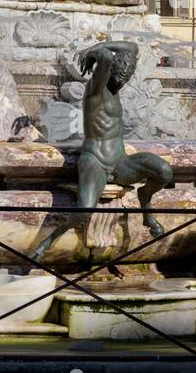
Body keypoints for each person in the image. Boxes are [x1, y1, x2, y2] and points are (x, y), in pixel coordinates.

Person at [33, 42, 173, 260]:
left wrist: (102, 46)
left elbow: (133, 47)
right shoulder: (95, 89)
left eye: (127, 78)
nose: (122, 81)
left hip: (120, 161)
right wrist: (92, 52)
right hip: (95, 160)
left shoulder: (115, 91)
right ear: (109, 72)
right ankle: (46, 243)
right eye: (119, 76)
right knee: (85, 209)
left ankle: (145, 201)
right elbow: (106, 57)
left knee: (164, 171)